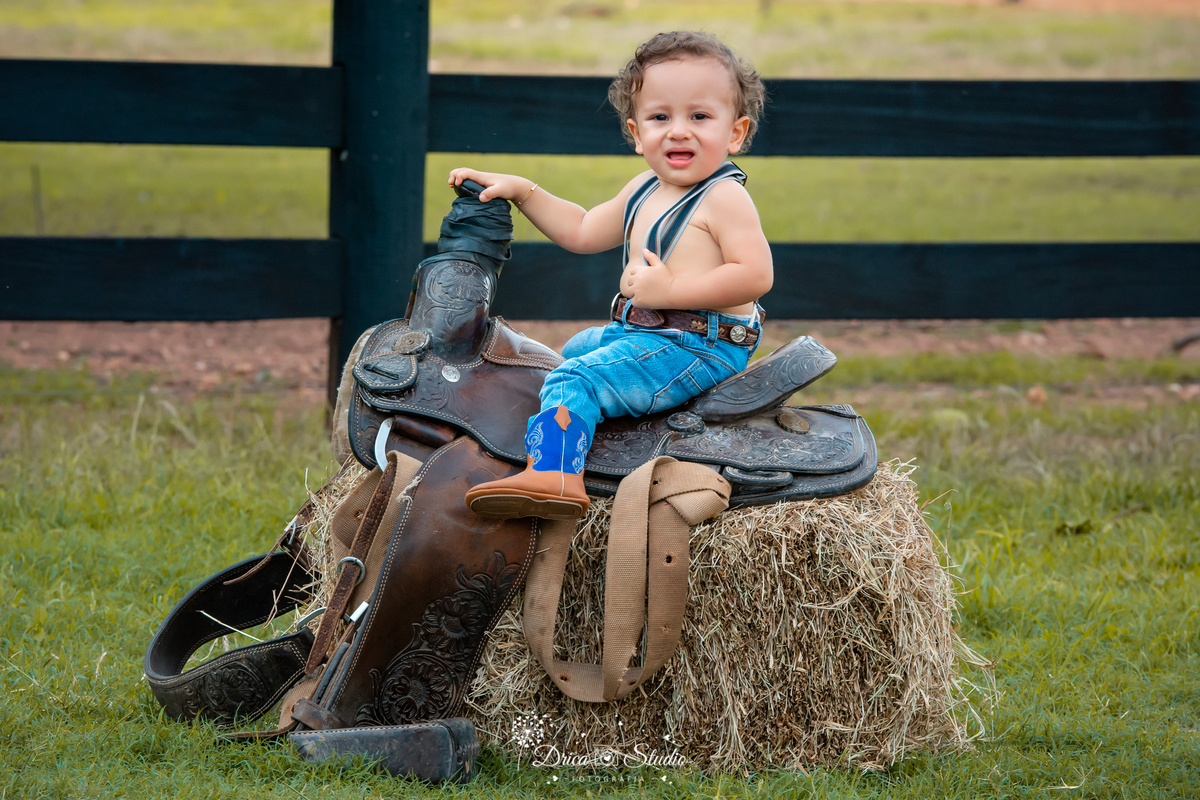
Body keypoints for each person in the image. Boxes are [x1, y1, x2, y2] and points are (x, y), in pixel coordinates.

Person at [449, 31, 772, 521]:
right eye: (660, 117)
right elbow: (581, 230)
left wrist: (671, 290)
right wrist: (523, 192)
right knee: (576, 349)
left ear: (735, 133)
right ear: (636, 133)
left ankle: (554, 477)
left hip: (702, 346)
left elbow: (755, 275)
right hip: (649, 334)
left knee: (577, 376)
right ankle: (546, 443)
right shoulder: (644, 187)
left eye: (699, 117)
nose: (678, 131)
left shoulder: (724, 198)